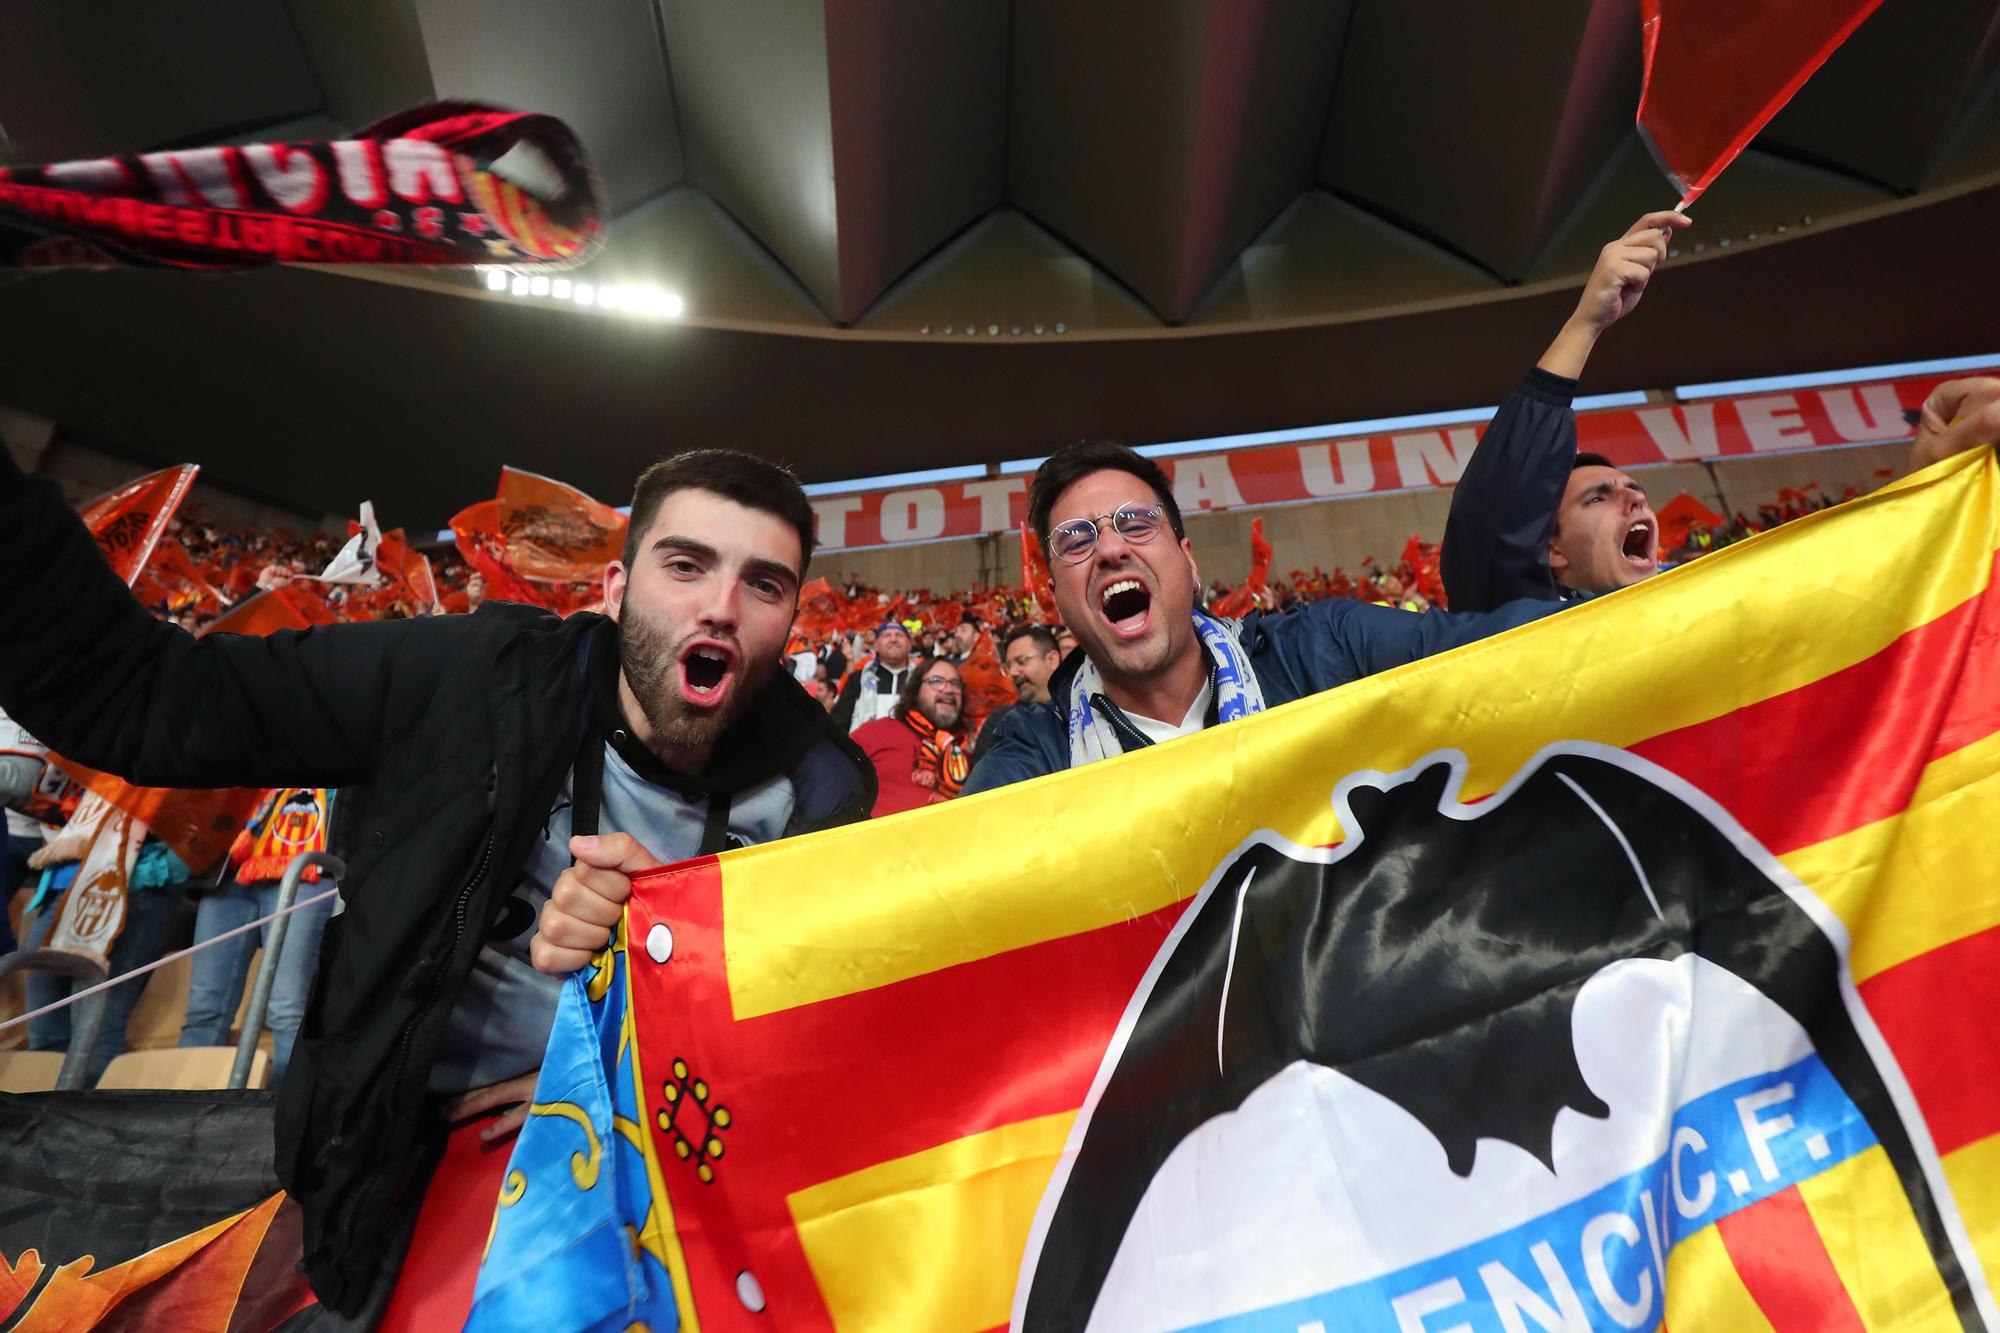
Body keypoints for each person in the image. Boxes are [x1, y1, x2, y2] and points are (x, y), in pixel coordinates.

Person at [0, 444, 873, 1317]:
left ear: (793, 616)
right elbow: (149, 700)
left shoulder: (823, 791)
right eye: (685, 565)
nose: (719, 608)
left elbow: (819, 1039)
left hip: (660, 1179)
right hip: (393, 1170)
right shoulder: (463, 677)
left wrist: (637, 1015)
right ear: (614, 589)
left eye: (764, 585)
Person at [958, 443, 1566, 794]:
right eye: (1076, 539)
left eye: (1137, 523)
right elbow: (950, 877)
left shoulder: (1327, 651)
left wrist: (1651, 612)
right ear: (1058, 600)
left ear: (1189, 564)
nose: (1112, 548)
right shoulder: (1034, 750)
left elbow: (1518, 652)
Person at [177, 787, 339, 1083]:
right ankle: (178, 1114)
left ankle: (286, 1118)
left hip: (306, 869)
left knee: (288, 1010)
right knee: (203, 1010)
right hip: (231, 872)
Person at [851, 658, 971, 816]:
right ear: (916, 690)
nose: (948, 689)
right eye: (936, 681)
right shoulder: (879, 732)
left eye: (955, 683)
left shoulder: (965, 757)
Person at [971, 625, 1062, 766]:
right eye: (1008, 666)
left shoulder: (1080, 709)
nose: (1013, 672)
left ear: (1052, 660)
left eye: (1021, 661)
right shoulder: (1000, 721)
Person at [831, 621, 917, 733]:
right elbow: (839, 722)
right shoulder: (858, 679)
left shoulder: (921, 680)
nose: (893, 640)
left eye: (899, 635)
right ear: (876, 645)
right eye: (887, 635)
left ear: (909, 644)